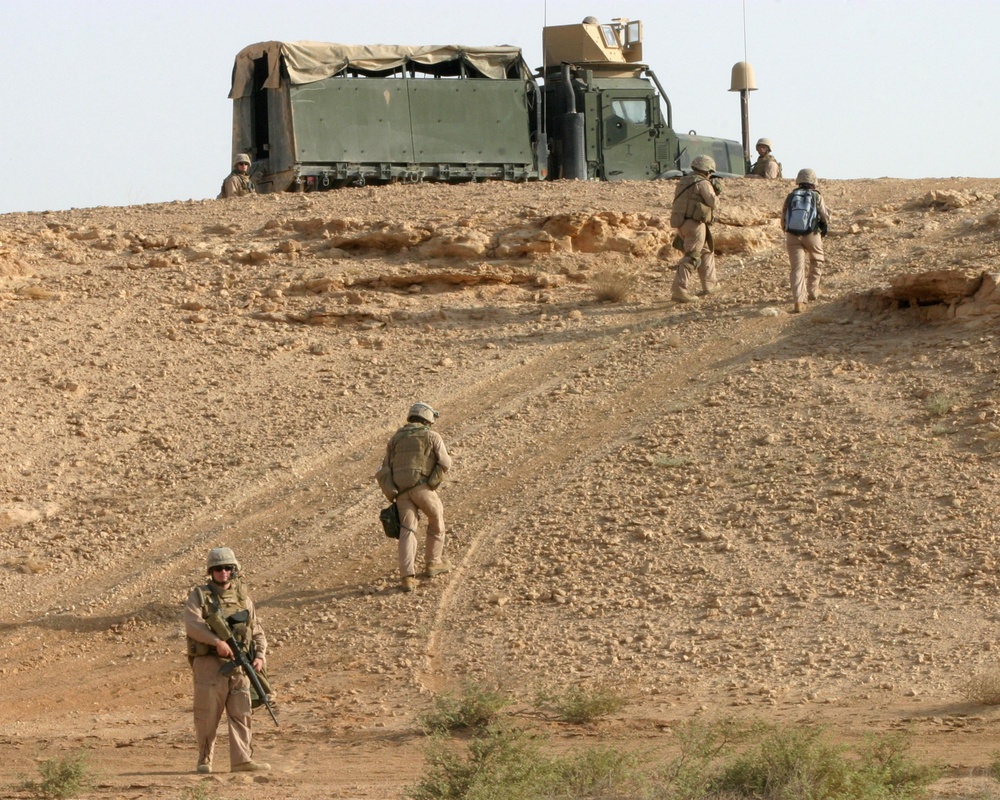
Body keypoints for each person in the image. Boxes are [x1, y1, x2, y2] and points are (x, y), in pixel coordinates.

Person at [183, 547, 271, 774]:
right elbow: (193, 625)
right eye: (218, 569)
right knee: (207, 714)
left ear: (234, 571)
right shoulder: (200, 596)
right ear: (210, 572)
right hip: (210, 664)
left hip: (240, 664)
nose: (223, 573)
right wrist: (216, 642)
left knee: (242, 712)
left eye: (228, 568)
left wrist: (260, 655)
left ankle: (241, 760)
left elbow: (256, 629)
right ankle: (205, 760)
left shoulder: (243, 598)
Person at [381, 402, 453, 592]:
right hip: (423, 488)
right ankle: (433, 563)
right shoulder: (431, 435)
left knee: (407, 530)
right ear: (428, 419)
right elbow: (445, 461)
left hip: (401, 493)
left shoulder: (395, 439)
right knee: (436, 520)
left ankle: (407, 577)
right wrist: (433, 481)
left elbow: (385, 468)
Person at [669, 154, 721, 303]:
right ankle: (679, 289)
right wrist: (716, 192)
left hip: (682, 223)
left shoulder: (684, 181)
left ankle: (710, 284)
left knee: (706, 251)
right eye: (710, 172)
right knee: (692, 256)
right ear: (707, 170)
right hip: (695, 224)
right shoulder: (703, 183)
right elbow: (713, 203)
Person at [781, 168, 832, 313]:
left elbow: (783, 216)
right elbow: (825, 217)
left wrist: (787, 230)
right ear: (813, 182)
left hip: (792, 234)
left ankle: (799, 301)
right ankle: (813, 290)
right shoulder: (816, 196)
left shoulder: (791, 196)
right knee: (817, 259)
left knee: (797, 268)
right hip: (811, 233)